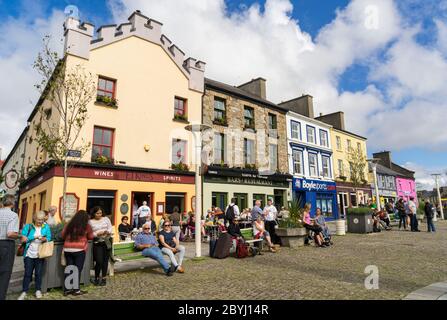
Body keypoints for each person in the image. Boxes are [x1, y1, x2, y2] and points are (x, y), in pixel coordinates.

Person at [17, 211, 52, 300]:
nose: (40, 221)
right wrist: (34, 237)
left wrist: (45, 239)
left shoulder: (46, 226)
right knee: (27, 274)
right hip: (29, 254)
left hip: (40, 254)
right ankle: (24, 291)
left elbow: (49, 237)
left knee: (38, 273)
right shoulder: (28, 227)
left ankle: (38, 290)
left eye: (42, 220)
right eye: (38, 219)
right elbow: (23, 240)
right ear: (34, 219)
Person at [61, 210, 94, 296]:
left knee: (69, 268)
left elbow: (62, 235)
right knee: (77, 270)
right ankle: (76, 290)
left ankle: (67, 290)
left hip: (68, 249)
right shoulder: (86, 226)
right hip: (79, 250)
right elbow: (91, 237)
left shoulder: (69, 224)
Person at [0, 195, 19, 300]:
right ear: (12, 203)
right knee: (4, 273)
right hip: (6, 245)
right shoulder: (13, 215)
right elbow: (10, 234)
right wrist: (20, 236)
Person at [89, 206, 113, 286]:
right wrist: (97, 234)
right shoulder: (90, 222)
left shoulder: (106, 219)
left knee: (105, 261)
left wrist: (107, 231)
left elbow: (110, 228)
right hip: (97, 243)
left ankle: (103, 278)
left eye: (100, 213)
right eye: (97, 213)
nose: (99, 215)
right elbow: (89, 233)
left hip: (106, 241)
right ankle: (96, 277)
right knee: (99, 261)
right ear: (94, 214)